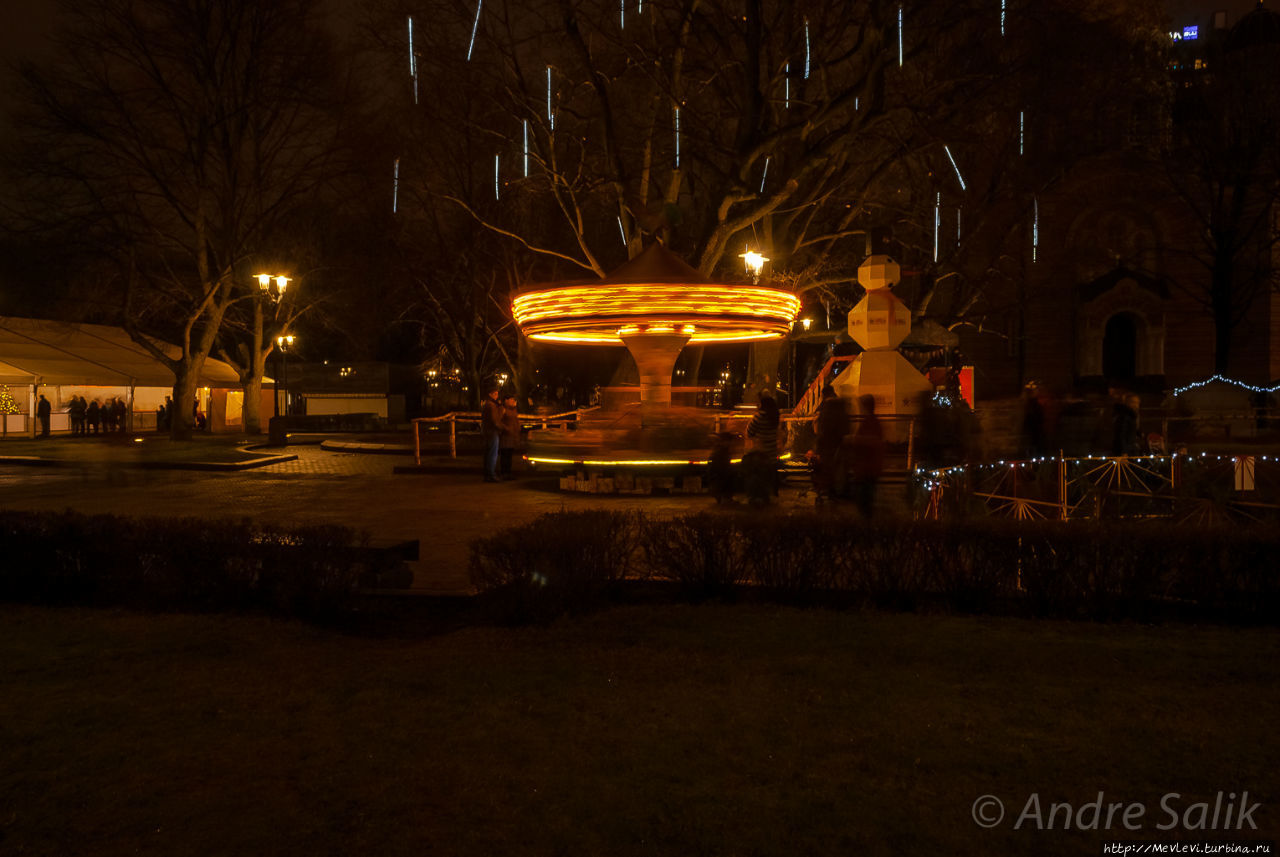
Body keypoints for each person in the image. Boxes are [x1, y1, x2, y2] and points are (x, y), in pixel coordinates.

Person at [848, 394, 885, 518]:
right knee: (866, 501)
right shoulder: (873, 421)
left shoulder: (870, 422)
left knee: (864, 502)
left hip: (866, 468)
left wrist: (855, 439)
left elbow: (873, 441)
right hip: (869, 468)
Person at [744, 393, 781, 504]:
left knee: (758, 475)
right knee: (771, 474)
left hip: (761, 453)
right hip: (772, 452)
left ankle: (758, 497)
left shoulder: (759, 416)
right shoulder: (775, 416)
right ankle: (773, 494)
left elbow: (749, 432)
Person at [812, 385, 848, 499]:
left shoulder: (826, 410)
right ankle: (836, 493)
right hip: (840, 444)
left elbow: (822, 430)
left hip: (827, 446)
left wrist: (817, 449)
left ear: (824, 395)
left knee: (826, 470)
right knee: (837, 470)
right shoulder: (842, 407)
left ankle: (827, 493)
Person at [480, 386, 503, 482]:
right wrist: (501, 428)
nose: (497, 396)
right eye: (495, 393)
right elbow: (495, 420)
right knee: (493, 453)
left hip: (487, 431)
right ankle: (491, 474)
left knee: (488, 453)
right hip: (492, 431)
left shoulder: (486, 404)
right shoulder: (492, 405)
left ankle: (487, 474)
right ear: (490, 394)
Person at [707, 430, 737, 504]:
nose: (731, 443)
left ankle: (722, 497)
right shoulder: (721, 451)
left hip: (717, 475)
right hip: (720, 475)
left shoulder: (720, 449)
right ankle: (725, 497)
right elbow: (722, 466)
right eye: (729, 441)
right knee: (728, 478)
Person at [498, 395, 521, 479]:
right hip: (505, 436)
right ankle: (504, 473)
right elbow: (498, 421)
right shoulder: (502, 409)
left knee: (509, 455)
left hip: (512, 436)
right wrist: (506, 428)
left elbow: (515, 421)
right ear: (506, 400)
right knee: (505, 454)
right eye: (511, 399)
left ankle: (508, 472)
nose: (513, 401)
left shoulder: (513, 409)